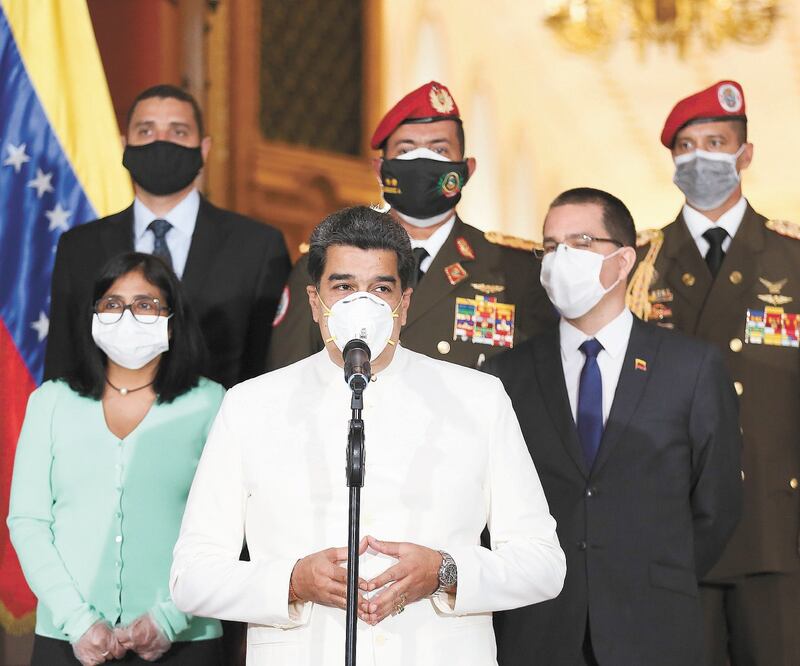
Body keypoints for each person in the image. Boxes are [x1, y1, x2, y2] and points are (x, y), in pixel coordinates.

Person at [169, 205, 566, 665]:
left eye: (381, 288)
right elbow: (191, 578)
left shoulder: (478, 399)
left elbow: (544, 564)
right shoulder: (249, 405)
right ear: (315, 302)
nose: (364, 303)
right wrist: (293, 582)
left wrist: (446, 572)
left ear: (405, 303)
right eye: (343, 287)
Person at [486, 188, 742, 666]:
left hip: (654, 625)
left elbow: (718, 502)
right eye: (550, 245)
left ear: (623, 261)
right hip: (538, 629)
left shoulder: (691, 367)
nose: (561, 258)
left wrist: (654, 570)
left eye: (580, 242)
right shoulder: (505, 375)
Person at [627, 80, 800, 665]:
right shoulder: (638, 262)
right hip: (670, 532)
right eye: (687, 146)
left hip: (777, 530)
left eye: (716, 142)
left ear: (745, 154)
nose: (701, 158)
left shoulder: (793, 260)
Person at [8, 252, 225, 666]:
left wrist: (168, 619)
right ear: (93, 317)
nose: (127, 316)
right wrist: (78, 621)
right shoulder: (51, 402)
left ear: (171, 320)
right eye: (112, 304)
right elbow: (28, 521)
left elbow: (228, 530)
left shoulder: (212, 403)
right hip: (66, 639)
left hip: (186, 639)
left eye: (145, 304)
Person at [267, 81, 556, 371]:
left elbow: (537, 387)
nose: (422, 161)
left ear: (466, 170)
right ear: (380, 170)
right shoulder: (324, 263)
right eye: (406, 150)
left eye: (439, 149)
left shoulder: (516, 271)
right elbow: (287, 377)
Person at [45, 84, 291, 389]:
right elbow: (62, 359)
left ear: (203, 148)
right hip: (105, 428)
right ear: (125, 145)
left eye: (178, 132)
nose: (161, 142)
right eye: (146, 132)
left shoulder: (258, 247)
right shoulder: (80, 246)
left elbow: (271, 365)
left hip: (220, 429)